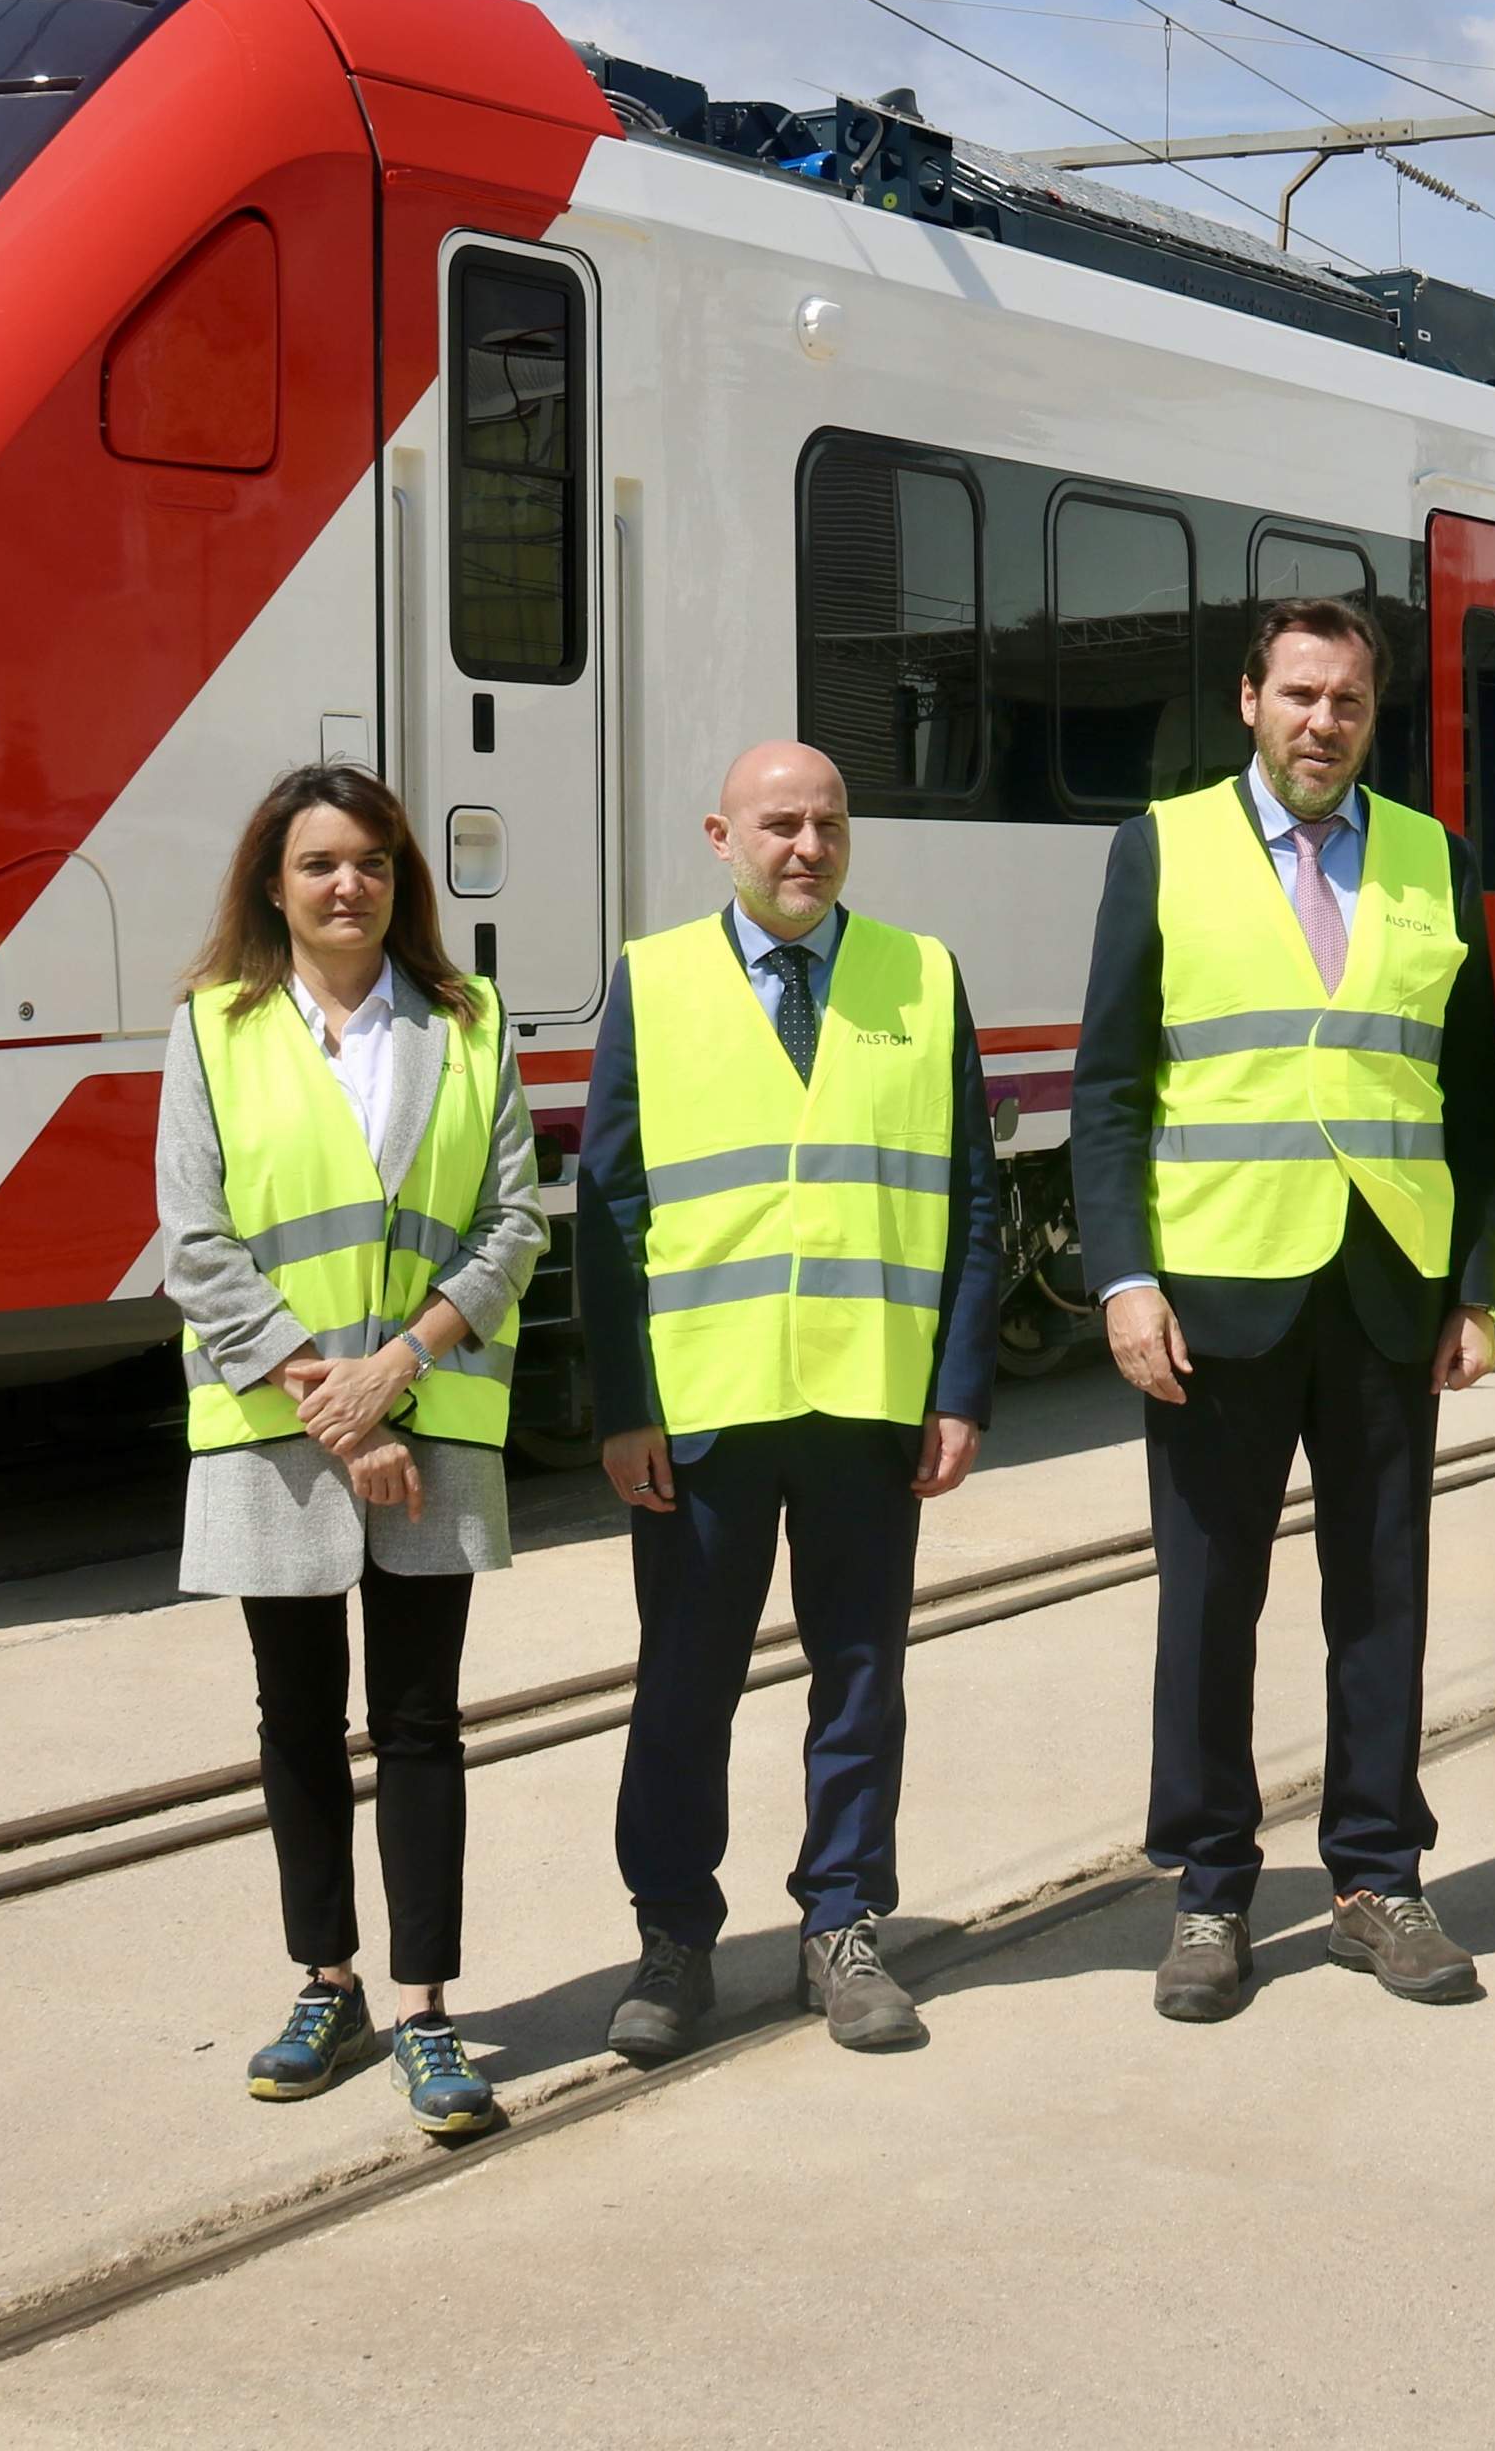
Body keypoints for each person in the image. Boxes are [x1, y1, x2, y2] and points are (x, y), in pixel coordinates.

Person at [1072, 594, 1495, 2022]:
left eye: (1350, 704)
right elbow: (1113, 1089)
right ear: (1249, 702)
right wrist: (1126, 1276)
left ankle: (1378, 1879)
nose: (1324, 723)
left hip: (1386, 1287)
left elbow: (1467, 1093)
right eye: (1300, 696)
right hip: (1216, 1293)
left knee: (1381, 1600)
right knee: (1211, 1604)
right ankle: (1206, 1894)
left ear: (1373, 719)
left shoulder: (1433, 858)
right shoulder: (1163, 846)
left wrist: (1475, 1286)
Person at [578, 742, 1004, 2062]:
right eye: (777, 825)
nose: (805, 847)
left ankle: (843, 1924)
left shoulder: (921, 977)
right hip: (705, 1405)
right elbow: (608, 1213)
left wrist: (959, 1388)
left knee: (863, 1676)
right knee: (684, 1685)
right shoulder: (653, 982)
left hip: (869, 1403)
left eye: (827, 823)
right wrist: (621, 1405)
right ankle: (672, 1941)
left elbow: (976, 1202)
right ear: (721, 835)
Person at [156, 764, 547, 2132]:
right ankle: (328, 1984)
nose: (348, 886)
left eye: (372, 863)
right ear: (275, 882)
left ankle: (429, 2008)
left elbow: (513, 1224)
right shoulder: (213, 1030)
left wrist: (400, 1368)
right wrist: (330, 1400)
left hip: (424, 1414)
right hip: (281, 1431)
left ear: (402, 882)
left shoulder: (469, 1020)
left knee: (425, 1725)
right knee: (298, 1724)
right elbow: (194, 1243)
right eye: (319, 864)